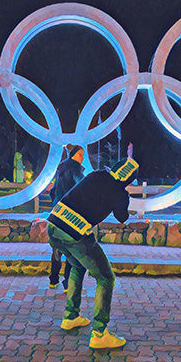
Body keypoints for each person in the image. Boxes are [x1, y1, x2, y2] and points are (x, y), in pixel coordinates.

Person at [47, 145, 138, 349]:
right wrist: (125, 198)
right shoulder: (119, 192)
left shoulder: (97, 175)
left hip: (53, 224)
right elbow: (122, 217)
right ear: (130, 179)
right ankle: (99, 334)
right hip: (74, 232)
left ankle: (70, 316)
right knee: (105, 277)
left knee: (78, 266)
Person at [48, 145, 85, 292]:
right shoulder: (75, 169)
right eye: (81, 155)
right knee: (71, 247)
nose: (82, 158)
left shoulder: (61, 168)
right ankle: (67, 283)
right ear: (74, 155)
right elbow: (83, 185)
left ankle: (53, 280)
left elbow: (53, 189)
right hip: (70, 213)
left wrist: (56, 204)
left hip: (58, 212)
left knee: (57, 247)